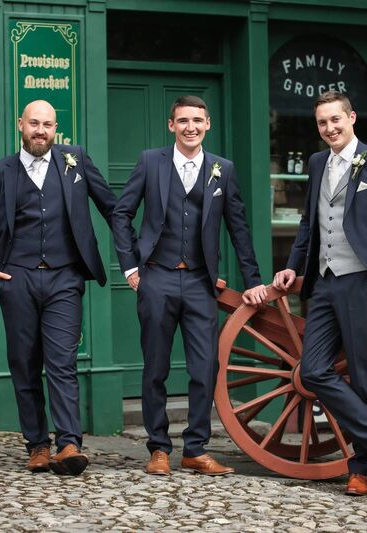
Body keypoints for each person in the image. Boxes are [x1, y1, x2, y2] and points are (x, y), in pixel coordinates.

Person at [273, 90, 367, 496]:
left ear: (352, 117)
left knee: (361, 375)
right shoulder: (318, 162)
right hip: (323, 281)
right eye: (322, 123)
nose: (329, 128)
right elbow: (310, 224)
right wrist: (292, 264)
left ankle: (360, 470)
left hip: (362, 282)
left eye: (335, 120)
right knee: (314, 369)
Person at [113, 95, 268, 477]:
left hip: (201, 281)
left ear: (208, 124)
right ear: (171, 126)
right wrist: (130, 267)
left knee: (205, 368)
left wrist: (253, 281)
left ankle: (195, 449)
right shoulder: (151, 161)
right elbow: (122, 212)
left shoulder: (223, 169)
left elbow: (239, 228)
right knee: (156, 368)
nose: (190, 127)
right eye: (183, 121)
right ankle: (159, 448)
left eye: (197, 120)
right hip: (157, 277)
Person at [0, 100, 117, 476]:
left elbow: (112, 207)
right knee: (24, 363)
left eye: (48, 125)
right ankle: (37, 445)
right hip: (16, 279)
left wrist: (140, 251)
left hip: (64, 277)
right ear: (20, 124)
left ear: (56, 128)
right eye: (34, 123)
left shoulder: (76, 161)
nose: (41, 130)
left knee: (62, 361)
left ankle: (69, 444)